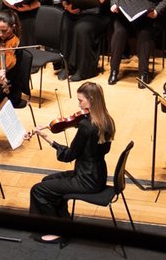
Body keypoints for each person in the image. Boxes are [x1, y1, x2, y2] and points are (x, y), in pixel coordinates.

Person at [31, 80, 114, 241]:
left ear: (91, 100)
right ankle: (64, 221)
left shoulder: (86, 126)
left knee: (39, 189)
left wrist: (48, 139)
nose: (79, 105)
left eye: (80, 101)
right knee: (48, 181)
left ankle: (57, 231)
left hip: (85, 179)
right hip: (98, 175)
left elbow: (68, 156)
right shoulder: (106, 120)